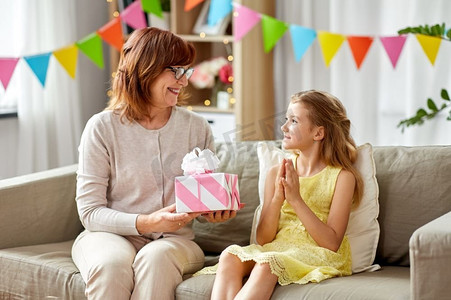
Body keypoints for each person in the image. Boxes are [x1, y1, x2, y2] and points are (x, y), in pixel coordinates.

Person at [71, 27, 236, 300]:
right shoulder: (102, 127)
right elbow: (90, 212)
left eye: (187, 71)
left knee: (157, 259)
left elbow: (202, 196)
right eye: (176, 70)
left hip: (175, 242)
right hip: (108, 235)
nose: (184, 81)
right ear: (145, 69)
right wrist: (147, 222)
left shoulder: (196, 127)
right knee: (110, 265)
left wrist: (214, 209)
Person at [197, 90, 363, 300]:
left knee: (267, 264)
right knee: (230, 255)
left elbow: (331, 243)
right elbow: (263, 239)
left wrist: (295, 199)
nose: (283, 127)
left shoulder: (342, 176)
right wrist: (277, 199)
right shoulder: (277, 172)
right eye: (286, 119)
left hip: (317, 252)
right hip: (278, 248)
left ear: (318, 133)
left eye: (293, 121)